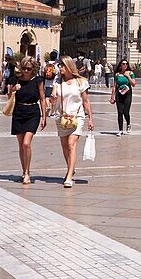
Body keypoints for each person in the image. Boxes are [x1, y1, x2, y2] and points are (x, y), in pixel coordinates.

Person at [54, 56, 94, 188]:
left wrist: (90, 119)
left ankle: (69, 175)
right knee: (65, 147)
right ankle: (71, 167)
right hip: (62, 117)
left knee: (71, 144)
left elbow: (86, 101)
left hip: (77, 116)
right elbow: (53, 99)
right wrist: (53, 99)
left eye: (62, 66)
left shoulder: (81, 82)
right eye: (59, 66)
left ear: (69, 66)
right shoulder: (58, 82)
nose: (60, 68)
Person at [8, 56, 47, 185]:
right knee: (21, 145)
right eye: (24, 68)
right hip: (19, 112)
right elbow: (9, 96)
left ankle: (28, 173)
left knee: (26, 143)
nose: (26, 71)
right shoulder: (16, 80)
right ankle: (25, 171)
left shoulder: (38, 81)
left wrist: (44, 116)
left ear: (33, 69)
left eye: (28, 68)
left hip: (33, 113)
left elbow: (42, 98)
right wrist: (13, 90)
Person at [110, 60, 135, 137]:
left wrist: (128, 77)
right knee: (120, 112)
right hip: (119, 94)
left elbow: (133, 84)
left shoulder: (131, 73)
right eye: (123, 64)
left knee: (126, 112)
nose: (125, 65)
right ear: (120, 65)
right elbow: (114, 86)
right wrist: (112, 97)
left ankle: (128, 123)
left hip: (128, 94)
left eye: (126, 64)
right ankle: (120, 130)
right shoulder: (117, 74)